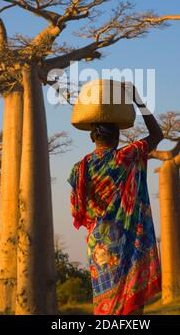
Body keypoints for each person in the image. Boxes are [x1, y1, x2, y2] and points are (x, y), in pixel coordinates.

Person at [68, 84, 163, 315]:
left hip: (99, 244)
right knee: (130, 304)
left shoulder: (79, 169)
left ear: (92, 136)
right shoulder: (126, 157)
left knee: (106, 301)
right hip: (128, 239)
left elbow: (77, 211)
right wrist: (138, 101)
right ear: (118, 135)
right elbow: (157, 135)